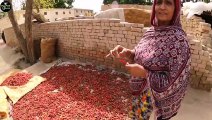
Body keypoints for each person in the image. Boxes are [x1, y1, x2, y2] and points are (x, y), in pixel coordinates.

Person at [106, 0, 191, 119]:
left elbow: (175, 81)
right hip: (140, 93)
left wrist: (144, 73)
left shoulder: (179, 41)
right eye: (159, 2)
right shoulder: (150, 32)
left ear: (176, 9)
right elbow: (141, 54)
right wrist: (129, 53)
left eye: (168, 3)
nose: (162, 7)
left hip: (157, 101)